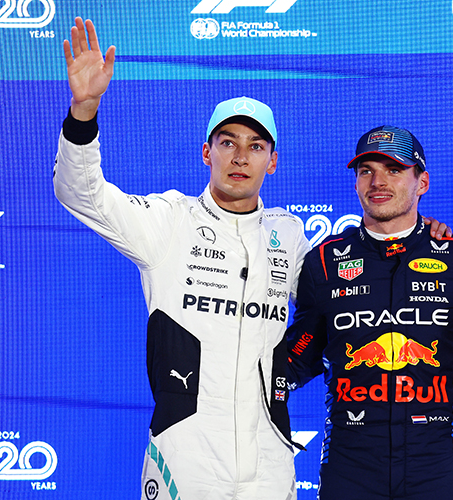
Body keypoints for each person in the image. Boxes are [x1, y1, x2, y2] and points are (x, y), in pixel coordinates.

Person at [54, 18, 311, 499]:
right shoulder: (170, 221)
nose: (240, 156)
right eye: (227, 142)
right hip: (184, 456)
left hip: (271, 461)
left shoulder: (288, 235)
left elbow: (345, 286)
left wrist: (421, 237)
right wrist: (83, 112)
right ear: (206, 152)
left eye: (255, 146)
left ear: (272, 161)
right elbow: (81, 194)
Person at [285, 126, 453, 500]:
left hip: (435, 466)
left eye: (394, 170)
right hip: (350, 466)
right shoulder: (325, 262)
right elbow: (298, 357)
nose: (377, 181)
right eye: (366, 170)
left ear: (421, 181)